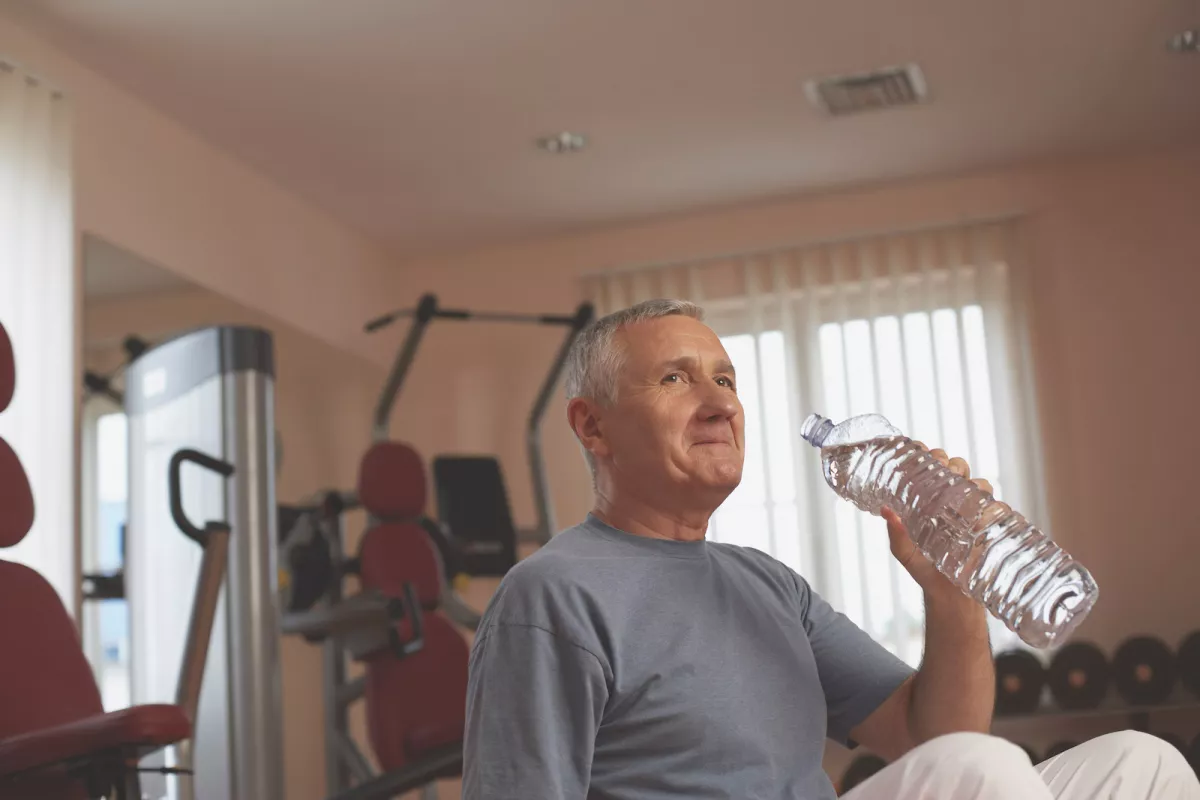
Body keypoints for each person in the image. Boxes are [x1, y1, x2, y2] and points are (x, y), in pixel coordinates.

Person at [462, 299, 1199, 799]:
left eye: (725, 379)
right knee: (984, 768)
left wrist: (951, 592)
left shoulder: (767, 585)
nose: (720, 402)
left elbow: (932, 737)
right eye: (675, 379)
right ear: (592, 428)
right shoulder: (553, 594)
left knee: (1143, 763)